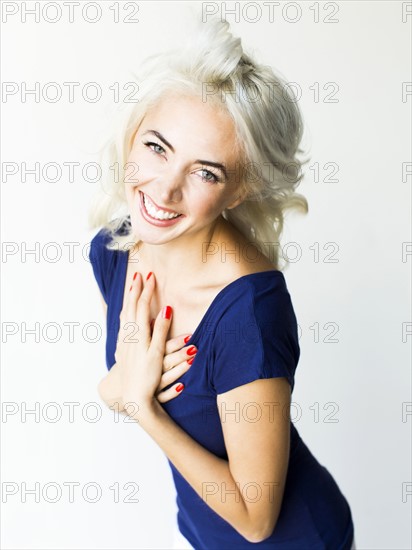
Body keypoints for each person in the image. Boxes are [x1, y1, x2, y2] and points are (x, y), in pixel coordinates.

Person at [89, 17, 355, 550]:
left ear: (238, 192)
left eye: (205, 172)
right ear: (133, 133)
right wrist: (118, 389)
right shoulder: (115, 250)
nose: (163, 190)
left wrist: (139, 406)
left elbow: (257, 521)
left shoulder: (247, 317)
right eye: (158, 147)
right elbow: (125, 376)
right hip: (200, 530)